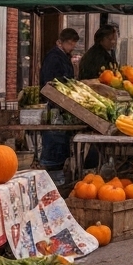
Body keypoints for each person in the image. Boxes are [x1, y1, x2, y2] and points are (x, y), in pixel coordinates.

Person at [39, 28, 81, 175]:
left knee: (60, 137)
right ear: (60, 42)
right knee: (55, 135)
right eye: (70, 43)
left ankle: (57, 167)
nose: (72, 47)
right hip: (55, 103)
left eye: (74, 44)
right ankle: (52, 168)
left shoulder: (64, 55)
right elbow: (51, 81)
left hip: (62, 102)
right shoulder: (54, 57)